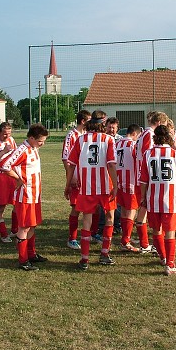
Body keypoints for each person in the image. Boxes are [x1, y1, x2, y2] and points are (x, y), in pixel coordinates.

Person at [65, 110, 119, 270]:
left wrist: (68, 185)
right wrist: (116, 186)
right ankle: (104, 254)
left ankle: (84, 259)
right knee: (110, 218)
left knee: (87, 221)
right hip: (105, 187)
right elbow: (111, 164)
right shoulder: (109, 139)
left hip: (87, 187)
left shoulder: (80, 140)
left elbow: (71, 165)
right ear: (102, 126)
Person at [139, 125, 176, 275]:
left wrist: (143, 197)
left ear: (154, 137)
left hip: (152, 198)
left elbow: (143, 180)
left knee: (156, 230)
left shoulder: (148, 154)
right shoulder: (175, 154)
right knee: (170, 232)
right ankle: (170, 263)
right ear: (169, 137)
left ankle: (163, 257)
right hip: (169, 199)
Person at [0, 124, 49, 270]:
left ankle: (31, 254)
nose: (42, 144)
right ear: (32, 138)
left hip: (35, 195)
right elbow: (4, 164)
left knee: (32, 225)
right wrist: (18, 179)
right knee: (24, 227)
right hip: (25, 195)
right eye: (40, 141)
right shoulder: (23, 149)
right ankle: (23, 260)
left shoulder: (33, 148)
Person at [134, 111, 169, 253]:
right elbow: (149, 157)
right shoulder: (149, 134)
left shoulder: (143, 133)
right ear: (160, 123)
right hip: (148, 179)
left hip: (143, 177)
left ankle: (146, 243)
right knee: (148, 211)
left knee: (145, 210)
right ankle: (147, 244)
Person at [62, 110, 91, 250]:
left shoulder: (87, 136)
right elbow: (66, 158)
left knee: (92, 207)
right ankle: (72, 238)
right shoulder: (71, 135)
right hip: (77, 178)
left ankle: (89, 234)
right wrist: (71, 177)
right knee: (76, 208)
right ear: (83, 121)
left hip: (88, 178)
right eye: (89, 120)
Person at [114, 123, 143, 252]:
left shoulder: (117, 143)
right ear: (135, 134)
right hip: (131, 181)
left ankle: (126, 237)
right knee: (131, 210)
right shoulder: (133, 145)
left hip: (119, 181)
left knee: (125, 210)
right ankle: (125, 241)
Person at [98, 116, 123, 235]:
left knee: (117, 201)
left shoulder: (121, 140)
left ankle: (117, 224)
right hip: (105, 173)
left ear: (117, 128)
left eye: (114, 128)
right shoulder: (103, 139)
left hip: (119, 172)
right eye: (109, 127)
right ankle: (103, 225)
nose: (111, 130)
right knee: (105, 201)